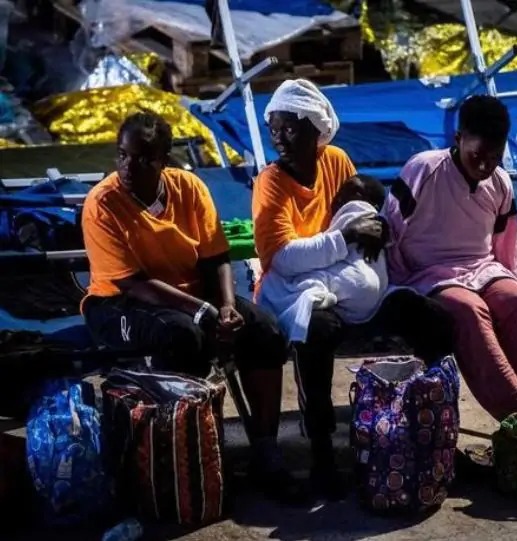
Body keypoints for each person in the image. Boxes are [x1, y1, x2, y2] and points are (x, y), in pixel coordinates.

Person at [81, 111, 302, 503]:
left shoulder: (189, 188)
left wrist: (229, 307)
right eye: (122, 155)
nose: (129, 167)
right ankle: (195, 455)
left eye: (143, 159)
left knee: (264, 331)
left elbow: (216, 257)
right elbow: (133, 282)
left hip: (189, 294)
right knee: (185, 336)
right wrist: (202, 310)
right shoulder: (103, 204)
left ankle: (265, 449)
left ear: (164, 160)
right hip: (118, 303)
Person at [253, 79, 455, 500]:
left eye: (290, 128)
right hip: (298, 288)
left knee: (432, 318)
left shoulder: (337, 162)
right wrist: (345, 238)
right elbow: (283, 258)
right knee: (316, 329)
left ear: (316, 131)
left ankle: (437, 431)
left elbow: (363, 217)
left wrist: (374, 231)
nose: (279, 138)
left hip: (351, 280)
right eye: (274, 128)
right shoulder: (270, 183)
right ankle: (322, 450)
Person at [383, 95, 517, 423]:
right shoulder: (424, 169)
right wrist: (395, 287)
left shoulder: (500, 182)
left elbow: (507, 246)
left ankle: (516, 430)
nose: (486, 166)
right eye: (478, 156)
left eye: (494, 157)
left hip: (482, 268)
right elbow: (389, 232)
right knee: (469, 310)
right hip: (428, 274)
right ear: (458, 139)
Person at [258, 174, 389, 343]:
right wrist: (347, 235)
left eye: (353, 191)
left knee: (280, 286)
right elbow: (284, 259)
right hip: (361, 297)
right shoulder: (271, 182)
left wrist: (380, 222)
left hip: (356, 286)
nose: (341, 195)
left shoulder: (355, 208)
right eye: (341, 189)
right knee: (318, 322)